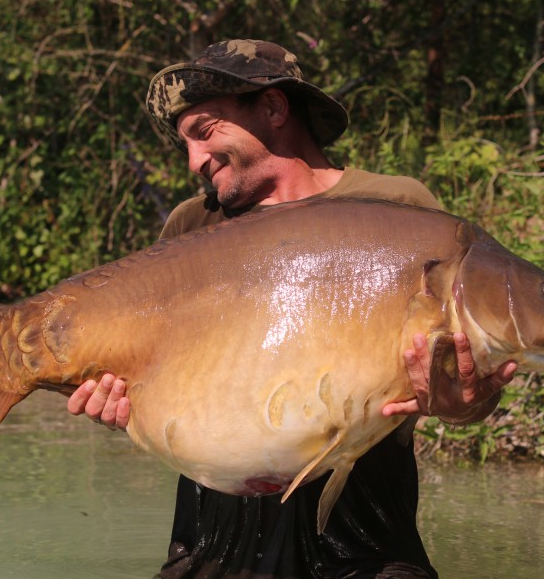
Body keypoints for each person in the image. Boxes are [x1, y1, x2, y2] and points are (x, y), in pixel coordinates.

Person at [68, 39, 516, 578]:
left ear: (275, 108)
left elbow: (464, 391)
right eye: (183, 143)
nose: (193, 161)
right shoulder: (193, 227)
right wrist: (124, 407)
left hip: (362, 539)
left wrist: (464, 400)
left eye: (205, 132)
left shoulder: (398, 209)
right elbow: (162, 385)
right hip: (214, 543)